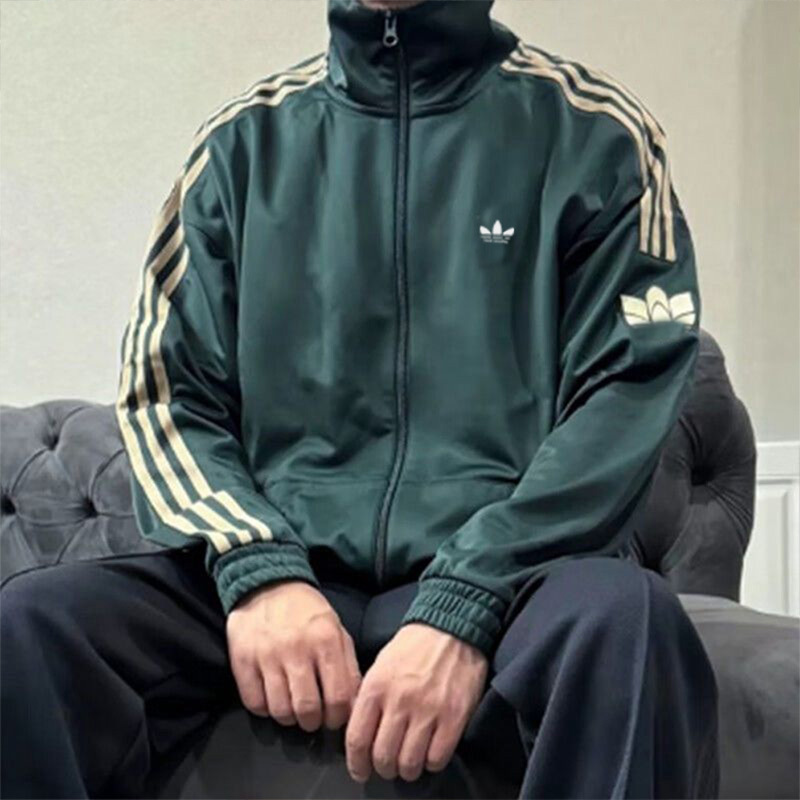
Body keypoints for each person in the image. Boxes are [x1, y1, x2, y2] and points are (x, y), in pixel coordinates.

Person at [0, 0, 721, 797]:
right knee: (29, 626)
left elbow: (624, 390)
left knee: (629, 623)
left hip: (512, 581)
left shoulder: (597, 136)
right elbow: (166, 391)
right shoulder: (239, 148)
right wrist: (256, 564)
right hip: (287, 569)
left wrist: (470, 594)